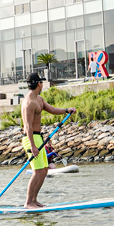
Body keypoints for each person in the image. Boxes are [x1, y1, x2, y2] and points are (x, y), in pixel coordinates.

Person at [20, 72, 74, 208]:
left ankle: (34, 200)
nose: (42, 85)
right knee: (38, 171)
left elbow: (53, 109)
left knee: (44, 170)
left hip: (39, 137)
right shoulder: (29, 102)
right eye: (41, 82)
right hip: (30, 138)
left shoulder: (39, 99)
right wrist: (32, 146)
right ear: (39, 84)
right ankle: (28, 202)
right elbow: (27, 126)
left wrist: (67, 110)